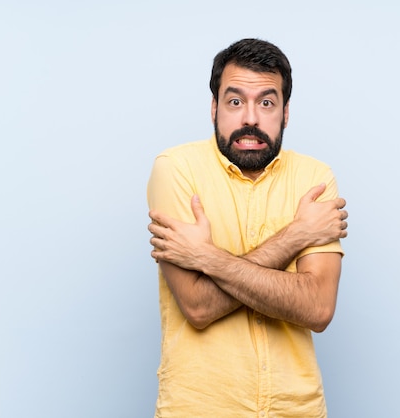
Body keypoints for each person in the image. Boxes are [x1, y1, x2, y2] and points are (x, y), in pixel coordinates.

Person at [147, 38, 348, 417]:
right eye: (235, 101)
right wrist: (297, 235)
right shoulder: (176, 170)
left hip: (297, 409)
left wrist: (206, 257)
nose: (250, 118)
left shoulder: (315, 179)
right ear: (214, 108)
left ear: (286, 112)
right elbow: (198, 305)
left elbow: (318, 308)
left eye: (266, 103)